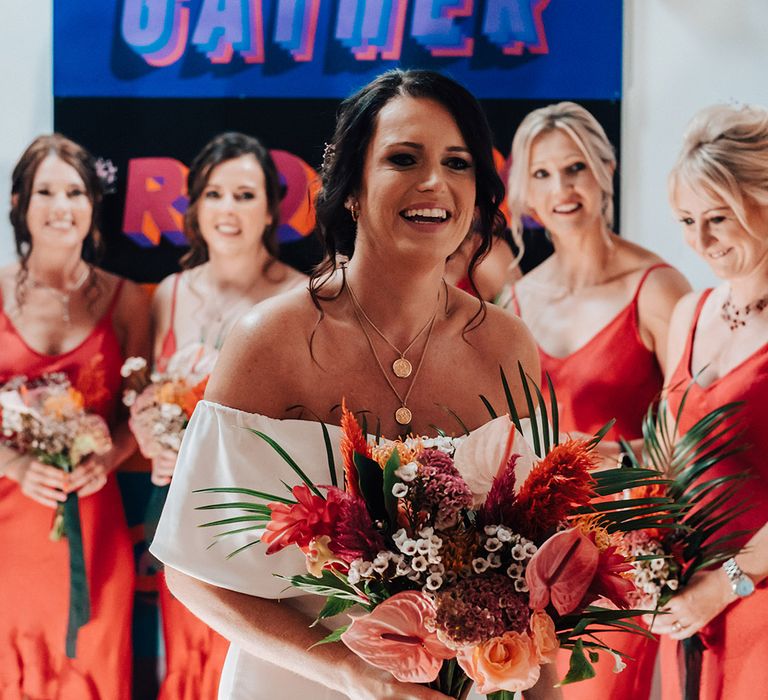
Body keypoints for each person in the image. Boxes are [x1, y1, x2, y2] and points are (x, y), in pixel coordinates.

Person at [150, 69, 562, 699]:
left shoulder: (507, 345)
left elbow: (532, 579)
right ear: (349, 187)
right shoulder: (268, 340)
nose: (435, 183)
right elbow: (192, 573)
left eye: (458, 162)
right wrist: (357, 677)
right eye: (404, 158)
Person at [504, 102, 691, 698]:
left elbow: (698, 424)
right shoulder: (516, 301)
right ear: (524, 191)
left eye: (575, 167)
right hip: (530, 553)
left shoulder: (658, 287)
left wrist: (620, 458)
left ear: (606, 169)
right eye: (541, 174)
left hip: (628, 549)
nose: (561, 188)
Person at [147, 131, 305, 700]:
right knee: (186, 665)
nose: (228, 210)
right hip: (179, 523)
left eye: (245, 194)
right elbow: (149, 398)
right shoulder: (168, 294)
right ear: (195, 207)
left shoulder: (302, 298)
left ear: (270, 208)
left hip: (261, 526)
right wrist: (151, 434)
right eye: (215, 194)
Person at [0, 134, 150, 698]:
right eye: (45, 191)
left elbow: (143, 410)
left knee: (92, 658)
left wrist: (109, 454)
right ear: (19, 202)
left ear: (93, 204)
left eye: (76, 191)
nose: (62, 206)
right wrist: (13, 463)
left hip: (93, 512)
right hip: (9, 521)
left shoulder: (127, 298)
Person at [649, 103, 768, 700]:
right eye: (685, 220)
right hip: (688, 601)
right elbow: (669, 457)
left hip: (754, 600)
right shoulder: (689, 312)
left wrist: (723, 586)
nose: (699, 241)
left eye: (718, 218)